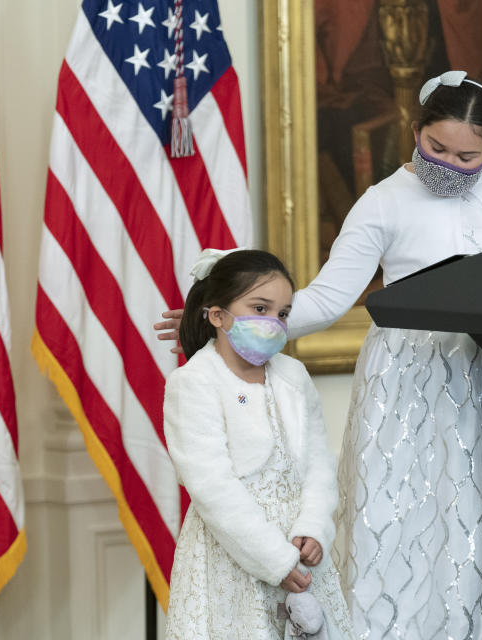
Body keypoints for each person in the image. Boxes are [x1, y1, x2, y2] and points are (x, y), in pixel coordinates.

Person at [157, 71, 482, 639]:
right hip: (412, 379)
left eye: (468, 156)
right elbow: (327, 297)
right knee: (411, 522)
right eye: (436, 148)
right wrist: (244, 318)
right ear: (414, 131)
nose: (450, 163)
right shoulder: (383, 201)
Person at [163, 248, 355, 639]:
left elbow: (319, 464)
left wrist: (314, 528)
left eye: (282, 314)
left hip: (300, 552)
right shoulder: (195, 382)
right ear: (217, 315)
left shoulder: (294, 375)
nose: (274, 322)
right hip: (235, 555)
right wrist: (274, 560)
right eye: (260, 308)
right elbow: (211, 486)